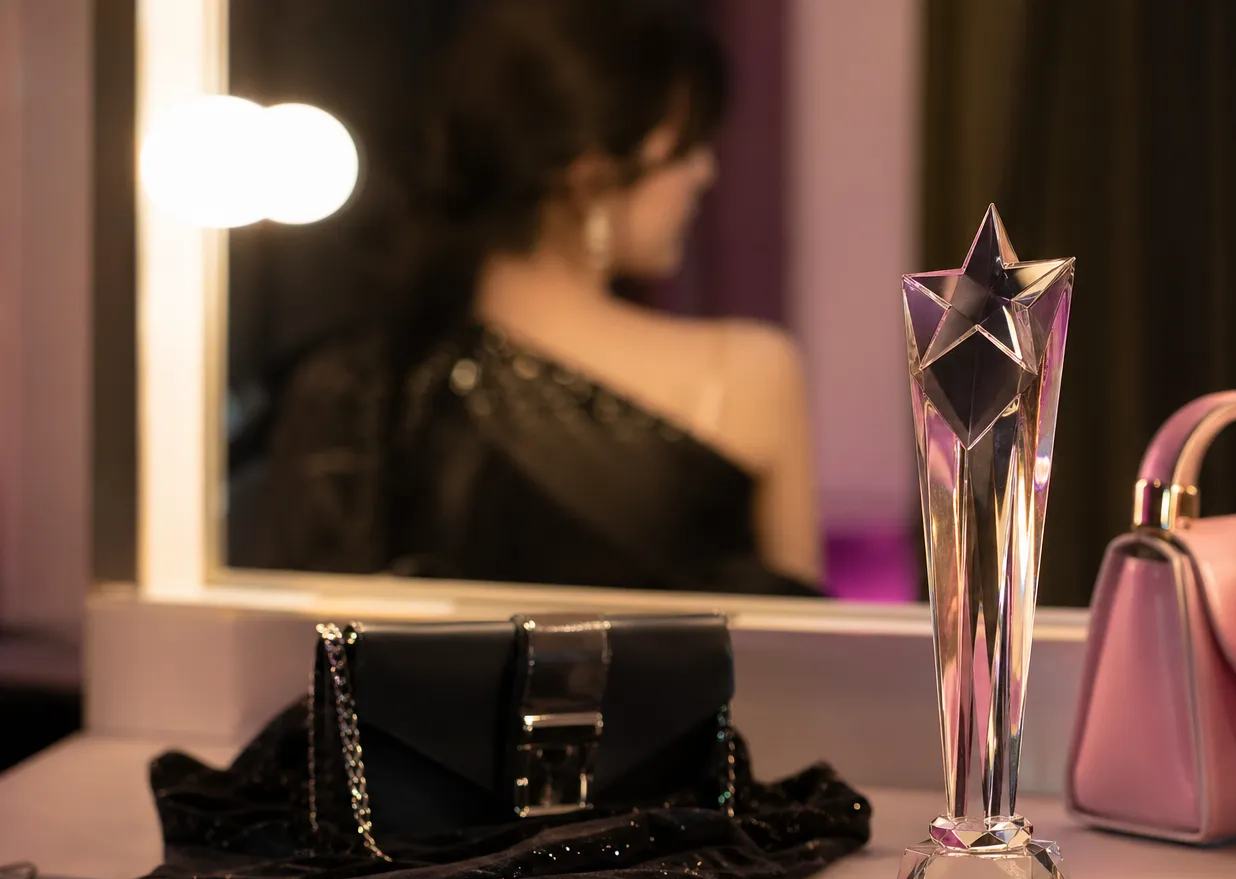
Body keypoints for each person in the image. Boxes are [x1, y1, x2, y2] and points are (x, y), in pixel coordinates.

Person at [258, 0, 822, 596]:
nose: (704, 172)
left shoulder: (356, 387)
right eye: (683, 149)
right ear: (590, 175)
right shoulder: (746, 374)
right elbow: (801, 644)